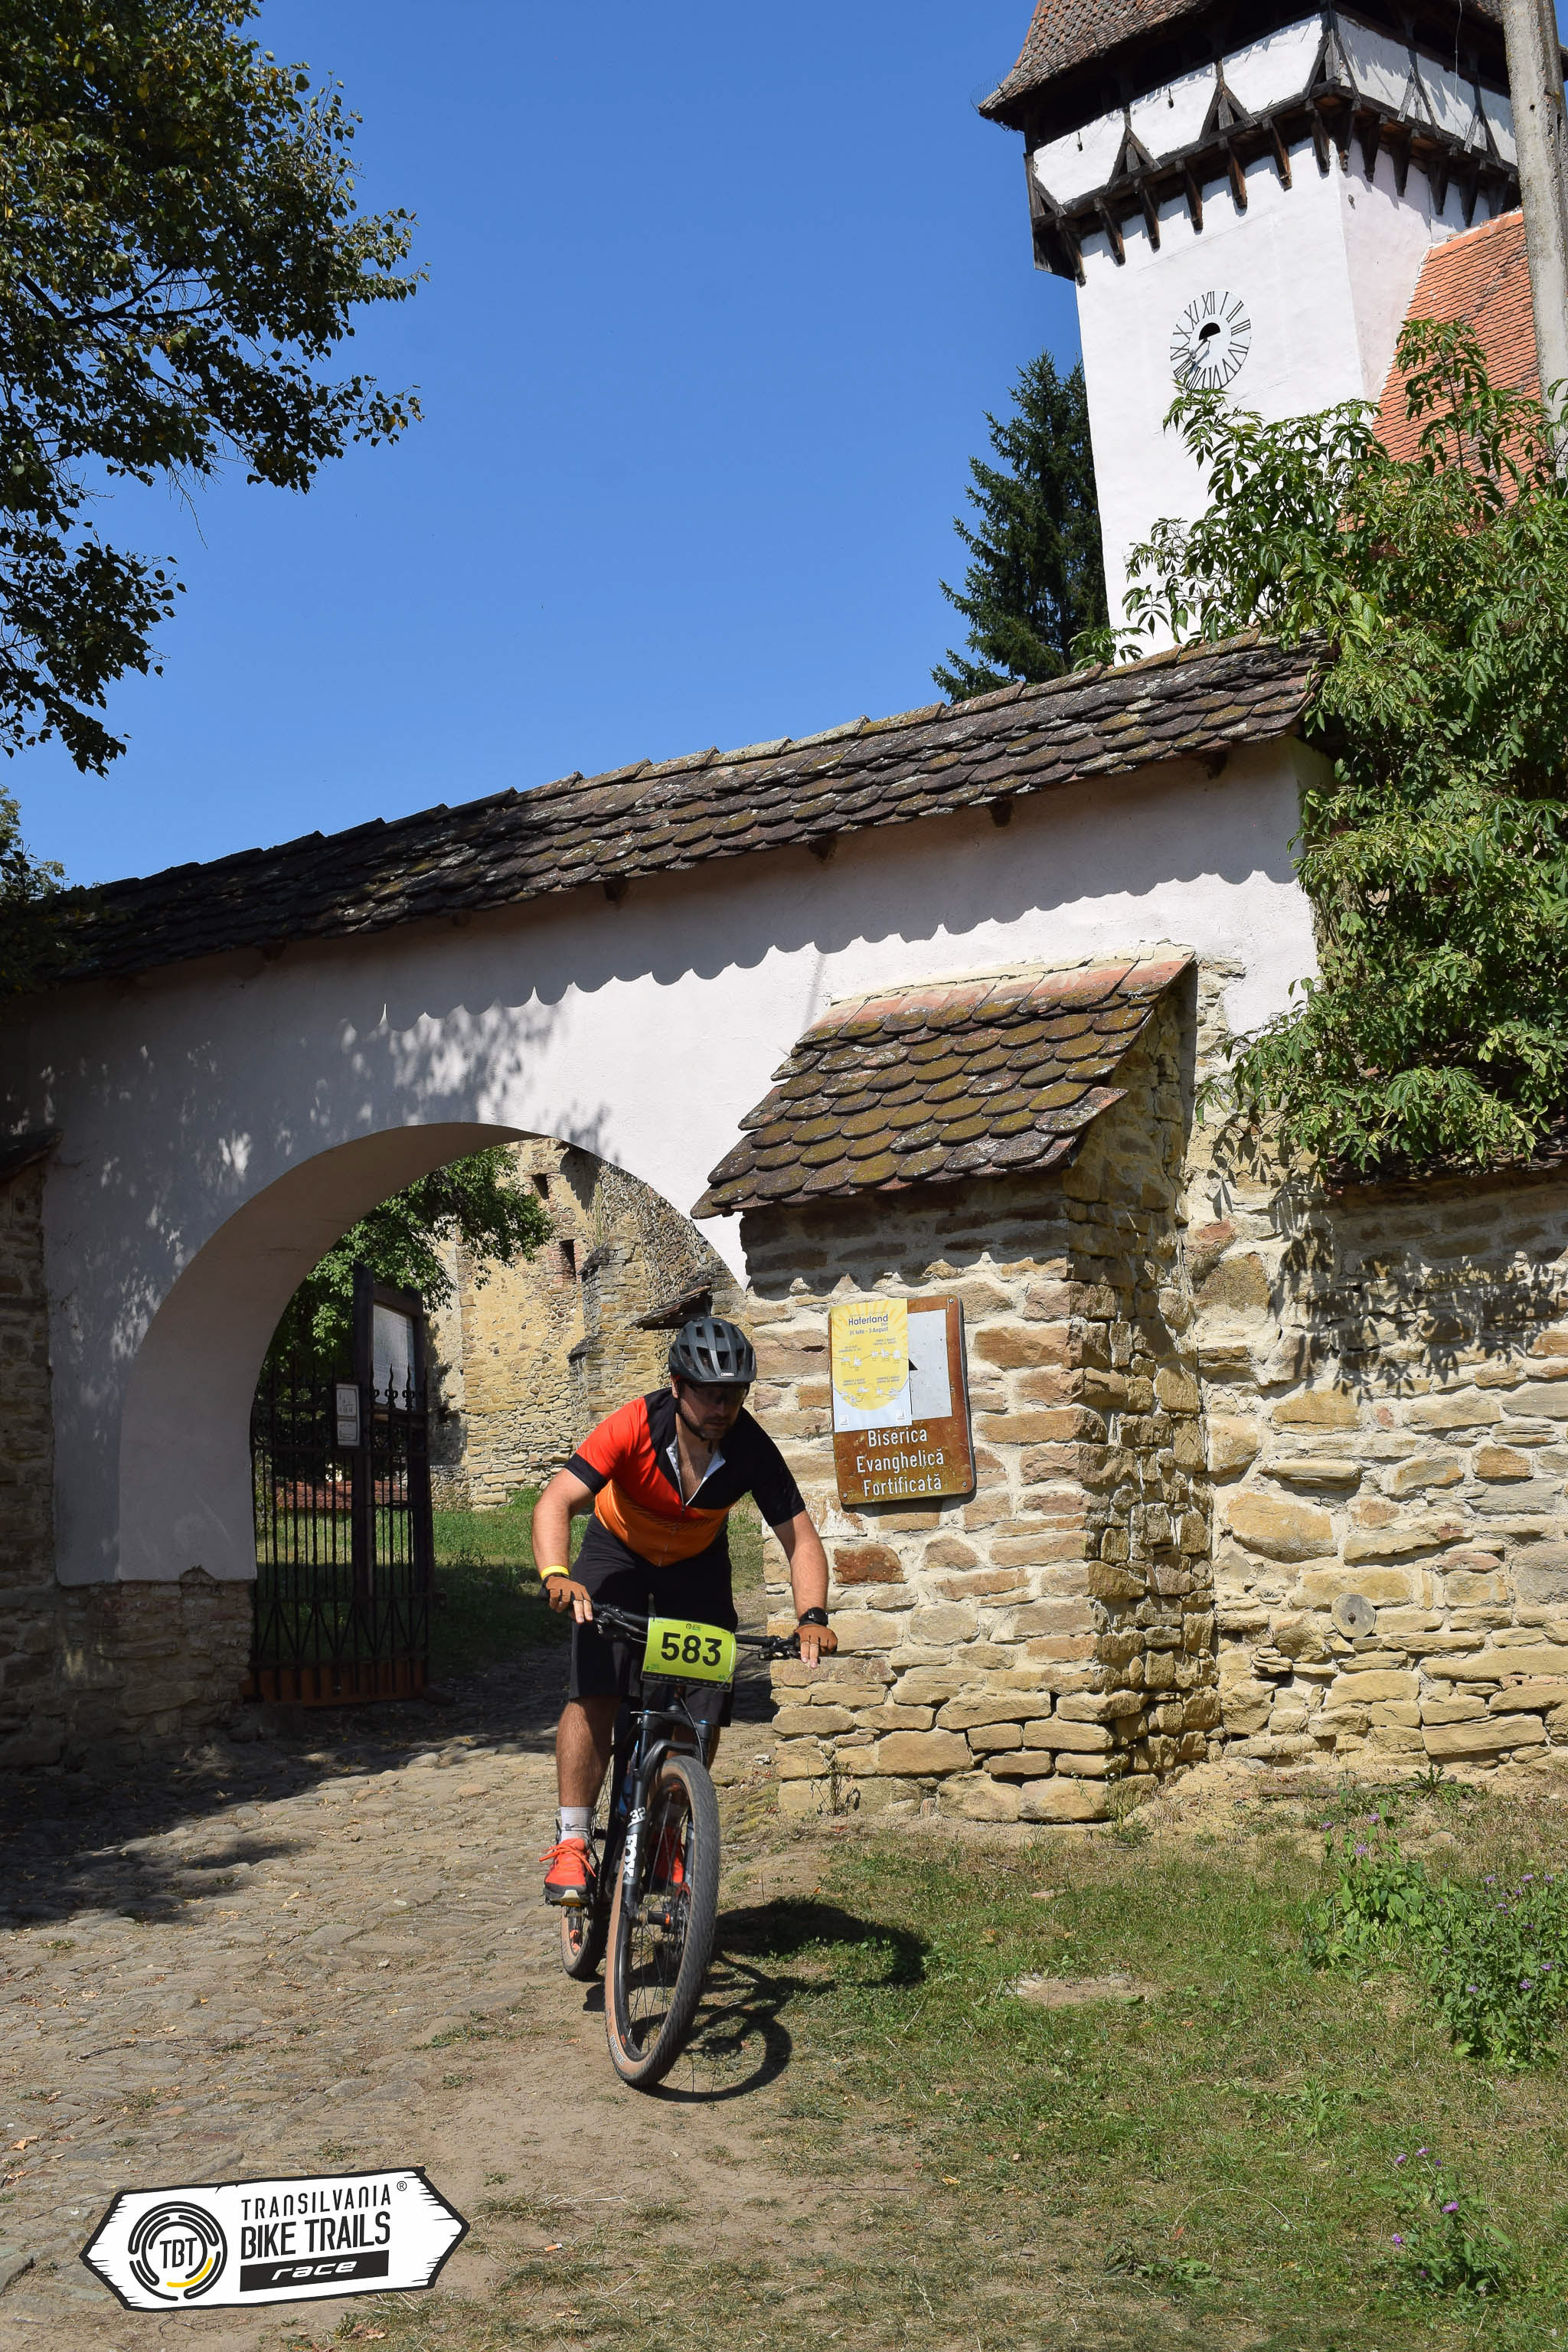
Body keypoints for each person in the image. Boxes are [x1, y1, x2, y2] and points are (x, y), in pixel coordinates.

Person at [532, 1314, 837, 1906]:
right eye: (710, 1393)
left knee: (702, 1705)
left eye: (735, 1395)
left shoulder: (750, 1448)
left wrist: (812, 1616)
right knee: (597, 1683)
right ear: (677, 1386)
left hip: (695, 1561)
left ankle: (671, 1827)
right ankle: (572, 1842)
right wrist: (556, 1575)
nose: (724, 1407)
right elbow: (557, 1500)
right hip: (616, 1552)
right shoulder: (633, 1425)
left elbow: (800, 1538)